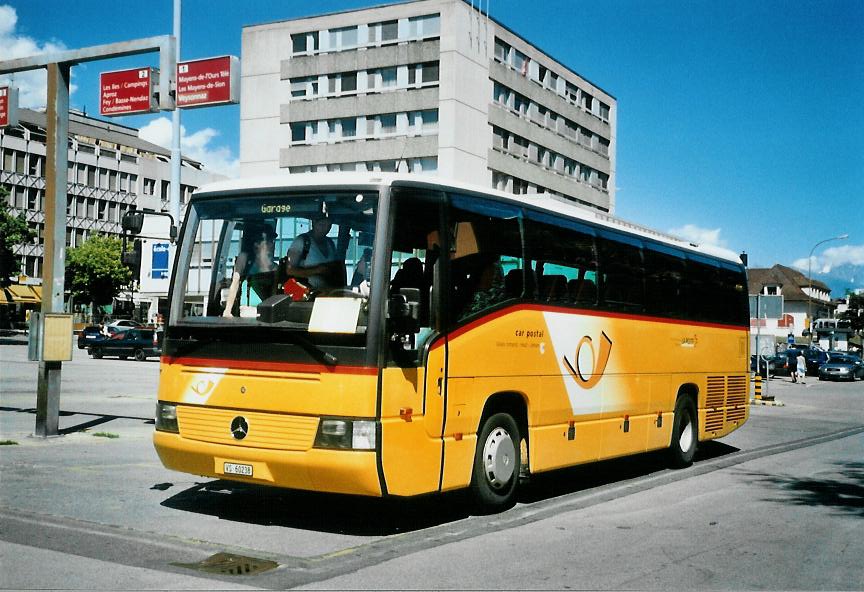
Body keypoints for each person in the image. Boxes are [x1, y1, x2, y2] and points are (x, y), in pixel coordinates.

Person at [223, 221, 279, 317]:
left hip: (268, 311)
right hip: (247, 310)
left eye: (272, 241)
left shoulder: (275, 267)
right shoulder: (244, 258)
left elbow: (274, 292)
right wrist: (227, 311)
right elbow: (235, 283)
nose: (271, 245)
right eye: (268, 241)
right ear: (257, 243)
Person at [280, 214, 341, 291]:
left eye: (329, 226)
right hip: (306, 296)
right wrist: (317, 270)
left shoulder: (330, 243)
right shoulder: (302, 241)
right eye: (322, 225)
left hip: (328, 293)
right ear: (314, 223)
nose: (325, 229)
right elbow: (289, 270)